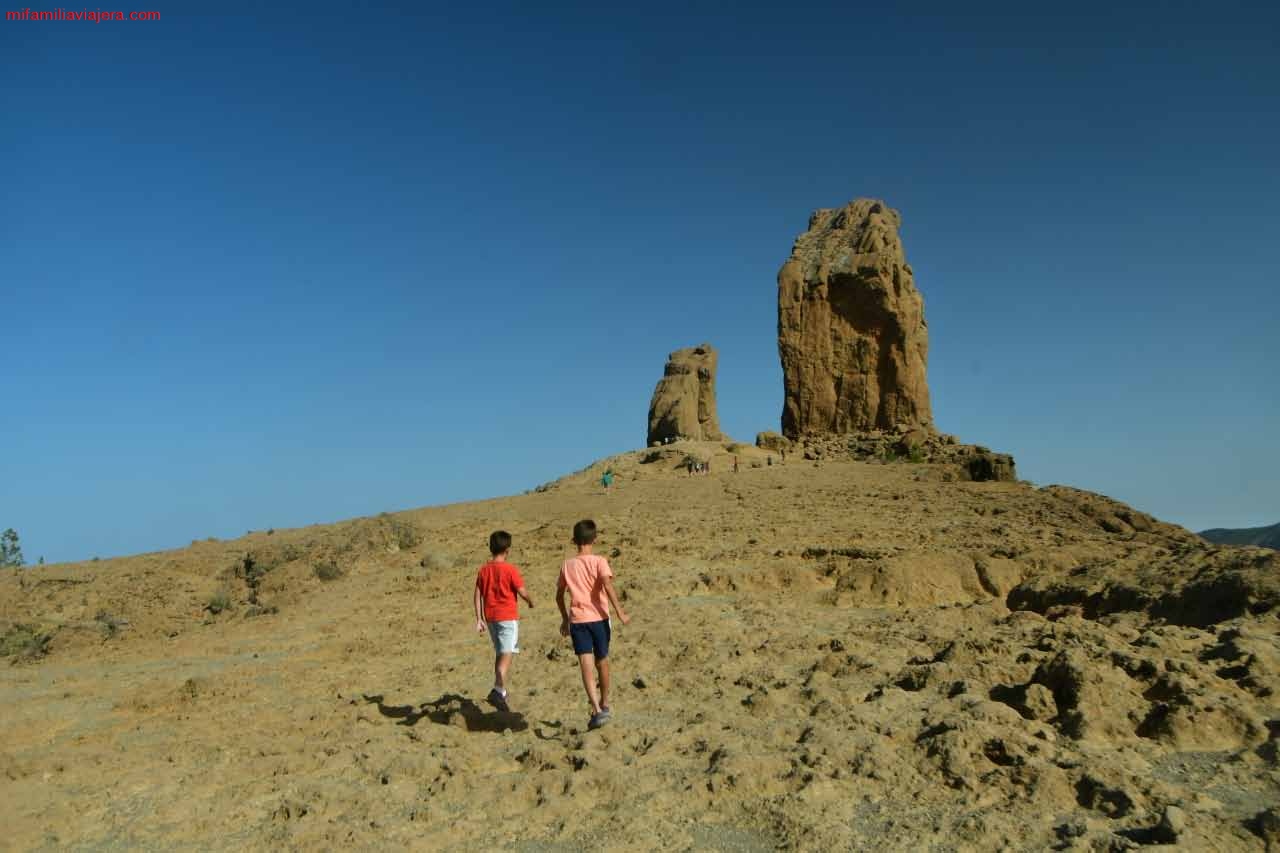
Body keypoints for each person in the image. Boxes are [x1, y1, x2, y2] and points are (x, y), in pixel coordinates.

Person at [557, 519, 631, 730]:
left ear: (574, 541)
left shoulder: (567, 565)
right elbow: (607, 586)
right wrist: (620, 612)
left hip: (578, 621)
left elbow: (558, 595)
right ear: (595, 539)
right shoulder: (600, 561)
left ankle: (597, 709)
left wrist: (564, 618)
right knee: (603, 661)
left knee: (586, 666)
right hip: (599, 619)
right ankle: (605, 703)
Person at [473, 530, 534, 713]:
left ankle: (499, 689)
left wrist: (479, 619)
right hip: (507, 616)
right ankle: (498, 689)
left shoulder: (484, 570)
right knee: (508, 652)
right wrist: (530, 600)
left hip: (491, 617)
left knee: (500, 652)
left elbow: (477, 596)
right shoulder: (510, 569)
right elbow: (522, 591)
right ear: (507, 550)